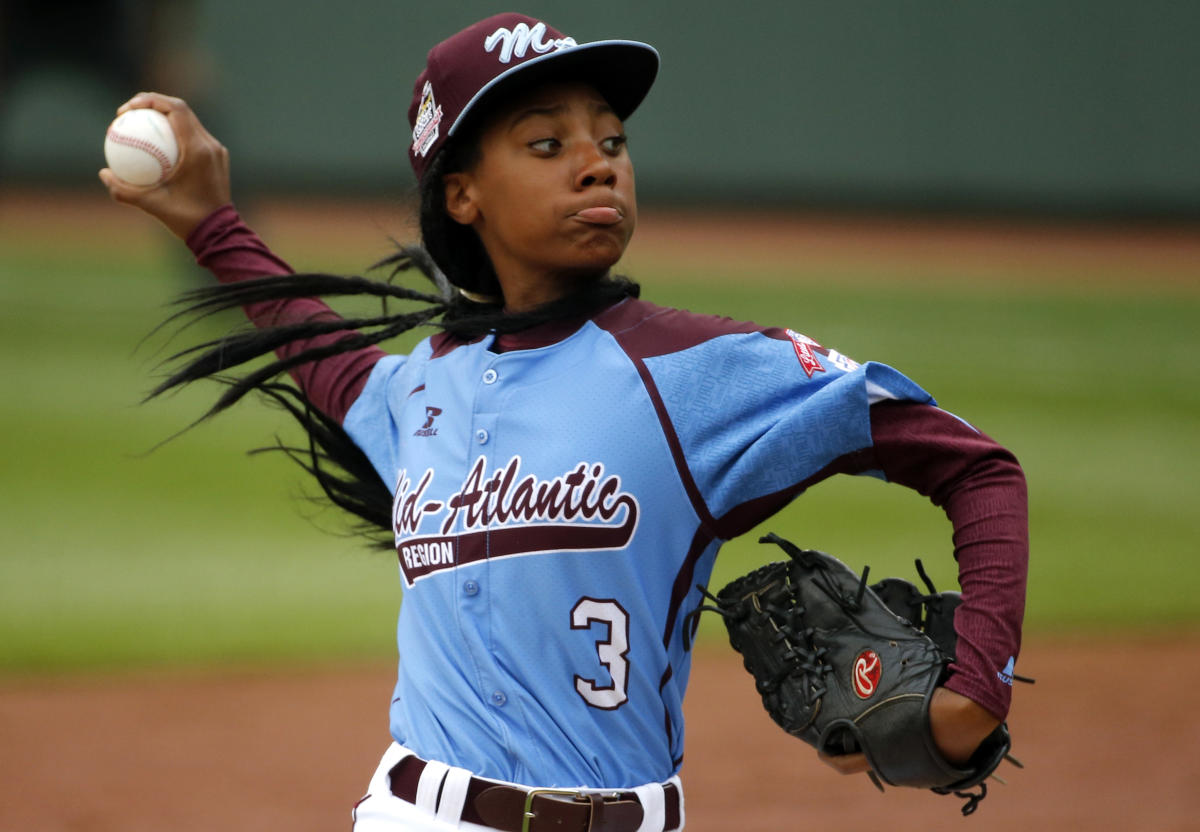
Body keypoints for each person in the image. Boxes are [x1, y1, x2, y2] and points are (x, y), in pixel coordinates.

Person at [99, 12, 1028, 832]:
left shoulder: (698, 373)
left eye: (614, 141)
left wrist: (977, 686)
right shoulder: (421, 390)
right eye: (546, 144)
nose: (598, 162)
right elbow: (326, 358)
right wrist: (210, 225)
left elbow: (977, 469)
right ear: (462, 195)